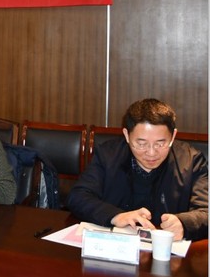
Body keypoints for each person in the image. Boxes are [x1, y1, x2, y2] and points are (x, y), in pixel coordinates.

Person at [67, 99, 208, 241]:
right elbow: (78, 196)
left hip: (168, 249)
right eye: (141, 144)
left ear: (173, 136)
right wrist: (116, 216)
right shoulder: (108, 155)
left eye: (160, 144)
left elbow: (206, 211)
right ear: (127, 135)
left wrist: (184, 223)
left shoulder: (191, 161)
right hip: (117, 247)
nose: (151, 153)